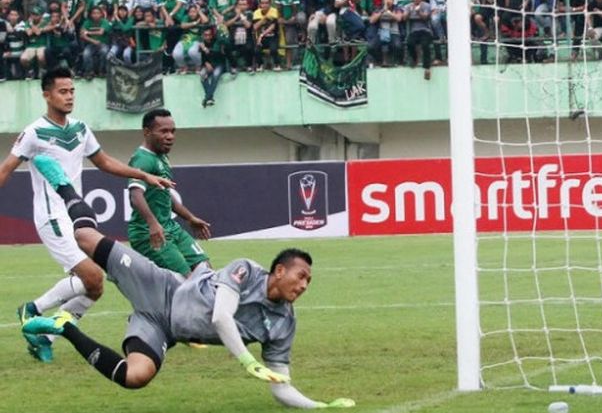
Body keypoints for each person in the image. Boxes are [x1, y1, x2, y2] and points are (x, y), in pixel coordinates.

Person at [21, 154, 356, 410]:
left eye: (309, 281)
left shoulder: (284, 325)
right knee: (84, 237)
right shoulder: (246, 270)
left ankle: (65, 325)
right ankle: (64, 185)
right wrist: (247, 361)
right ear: (279, 271)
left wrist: (320, 406)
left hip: (164, 327)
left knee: (135, 377)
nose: (304, 285)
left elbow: (280, 386)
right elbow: (221, 316)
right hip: (161, 287)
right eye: (301, 276)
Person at [0, 68, 171, 363]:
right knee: (92, 276)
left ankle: (45, 334)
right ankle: (33, 311)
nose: (69, 97)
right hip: (53, 217)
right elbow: (5, 170)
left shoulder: (79, 128)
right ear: (47, 95)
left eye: (72, 91)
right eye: (62, 92)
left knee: (95, 286)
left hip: (76, 215)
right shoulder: (34, 132)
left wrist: (142, 174)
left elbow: (103, 162)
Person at [127, 109, 211, 275]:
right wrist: (153, 224)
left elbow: (165, 197)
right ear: (147, 132)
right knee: (186, 280)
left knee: (205, 270)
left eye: (172, 131)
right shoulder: (143, 159)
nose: (170, 136)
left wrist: (190, 218)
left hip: (171, 228)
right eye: (163, 131)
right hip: (148, 233)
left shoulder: (161, 157)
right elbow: (135, 196)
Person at [403, 0, 434, 80]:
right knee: (409, 42)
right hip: (414, 31)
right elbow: (404, 18)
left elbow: (425, 17)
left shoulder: (426, 6)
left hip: (425, 30)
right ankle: (414, 59)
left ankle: (427, 67)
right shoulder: (408, 6)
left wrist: (418, 12)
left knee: (425, 44)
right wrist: (408, 13)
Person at [199, 27, 227, 106]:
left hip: (219, 63)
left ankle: (207, 97)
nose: (207, 37)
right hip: (209, 64)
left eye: (209, 35)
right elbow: (203, 57)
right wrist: (206, 63)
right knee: (202, 75)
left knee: (215, 75)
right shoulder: (202, 43)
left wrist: (205, 49)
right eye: (205, 35)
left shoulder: (216, 42)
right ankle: (210, 98)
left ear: (212, 35)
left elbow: (217, 55)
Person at [253, 0, 282, 71]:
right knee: (256, 50)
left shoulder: (274, 11)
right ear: (259, 4)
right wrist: (264, 19)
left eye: (266, 3)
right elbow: (255, 27)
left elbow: (273, 26)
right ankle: (260, 64)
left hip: (273, 36)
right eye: (262, 3)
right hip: (260, 38)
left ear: (270, 4)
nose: (264, 5)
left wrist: (262, 35)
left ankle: (277, 64)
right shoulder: (256, 13)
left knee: (273, 49)